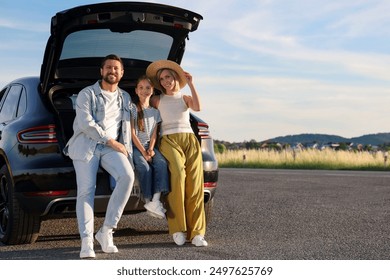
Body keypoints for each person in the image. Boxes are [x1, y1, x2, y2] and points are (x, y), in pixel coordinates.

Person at [64, 54, 135, 259]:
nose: (112, 71)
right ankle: (86, 240)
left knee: (127, 177)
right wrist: (112, 142)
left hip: (110, 148)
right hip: (86, 144)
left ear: (122, 73)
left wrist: (128, 150)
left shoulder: (125, 97)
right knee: (87, 190)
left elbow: (129, 126)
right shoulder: (87, 94)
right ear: (101, 71)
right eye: (109, 68)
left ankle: (106, 231)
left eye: (116, 68)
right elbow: (86, 124)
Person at [146, 60, 208, 247]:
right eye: (162, 78)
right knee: (178, 178)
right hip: (169, 140)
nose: (165, 81)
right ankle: (177, 229)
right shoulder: (157, 100)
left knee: (195, 185)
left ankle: (197, 233)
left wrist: (191, 83)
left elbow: (197, 108)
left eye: (169, 77)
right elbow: (143, 110)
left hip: (189, 140)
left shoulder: (185, 97)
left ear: (175, 79)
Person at [130, 75, 169, 219]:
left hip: (149, 147)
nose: (144, 90)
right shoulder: (133, 109)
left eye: (147, 88)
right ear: (136, 91)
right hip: (136, 147)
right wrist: (143, 152)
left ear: (152, 91)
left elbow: (154, 134)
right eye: (141, 88)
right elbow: (132, 134)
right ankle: (147, 200)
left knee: (161, 163)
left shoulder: (155, 112)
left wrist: (151, 149)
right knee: (144, 167)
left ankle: (156, 200)